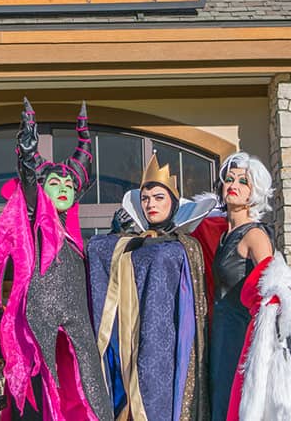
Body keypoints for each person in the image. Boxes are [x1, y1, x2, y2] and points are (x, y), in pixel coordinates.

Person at [0, 98, 113, 420]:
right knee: (41, 394)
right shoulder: (36, 227)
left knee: (88, 389)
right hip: (38, 324)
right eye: (55, 183)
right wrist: (28, 145)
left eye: (69, 184)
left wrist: (85, 138)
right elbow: (28, 179)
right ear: (43, 191)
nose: (64, 188)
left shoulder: (79, 243)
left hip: (77, 323)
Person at [87, 153, 216, 421]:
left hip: (168, 339)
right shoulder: (132, 242)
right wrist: (117, 235)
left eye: (159, 198)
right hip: (131, 336)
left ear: (173, 203)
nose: (150, 204)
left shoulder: (184, 246)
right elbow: (97, 250)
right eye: (145, 199)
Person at [206, 152, 291, 421]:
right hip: (221, 333)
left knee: (236, 405)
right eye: (229, 178)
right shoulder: (224, 234)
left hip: (241, 335)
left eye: (243, 181)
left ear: (253, 193)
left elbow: (274, 283)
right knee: (220, 403)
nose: (233, 185)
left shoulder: (255, 235)